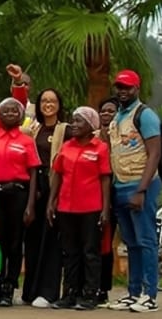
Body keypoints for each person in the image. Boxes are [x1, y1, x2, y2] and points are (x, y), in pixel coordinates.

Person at [105, 70, 162, 313]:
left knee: (146, 240)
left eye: (127, 87)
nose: (122, 91)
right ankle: (133, 292)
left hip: (140, 185)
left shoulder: (144, 115)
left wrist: (142, 189)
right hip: (120, 185)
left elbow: (155, 153)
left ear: (136, 89)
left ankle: (150, 295)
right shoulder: (118, 116)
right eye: (119, 87)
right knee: (131, 243)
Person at [0, 97, 40, 306]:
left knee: (14, 243)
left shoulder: (26, 141)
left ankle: (8, 287)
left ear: (21, 116)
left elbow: (33, 173)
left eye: (15, 111)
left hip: (18, 194)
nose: (10, 113)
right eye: (6, 110)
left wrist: (30, 205)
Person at [47, 106, 111, 310]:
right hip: (66, 207)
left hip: (91, 208)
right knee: (70, 252)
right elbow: (57, 174)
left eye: (79, 121)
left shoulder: (100, 147)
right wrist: (51, 201)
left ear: (91, 125)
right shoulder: (66, 147)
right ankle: (69, 294)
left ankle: (90, 294)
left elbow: (105, 178)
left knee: (90, 252)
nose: (73, 125)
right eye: (73, 121)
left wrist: (105, 208)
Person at [20, 88, 72, 307]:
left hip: (55, 188)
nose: (48, 104)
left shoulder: (66, 130)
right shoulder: (32, 128)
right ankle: (30, 291)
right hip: (35, 189)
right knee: (32, 241)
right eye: (44, 101)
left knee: (51, 242)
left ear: (59, 104)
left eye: (52, 101)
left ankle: (48, 292)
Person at [97, 96, 119, 305]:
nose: (105, 114)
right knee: (96, 243)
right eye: (102, 111)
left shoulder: (123, 137)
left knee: (107, 244)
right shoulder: (92, 137)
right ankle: (91, 287)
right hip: (95, 196)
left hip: (117, 195)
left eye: (110, 111)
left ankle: (103, 289)